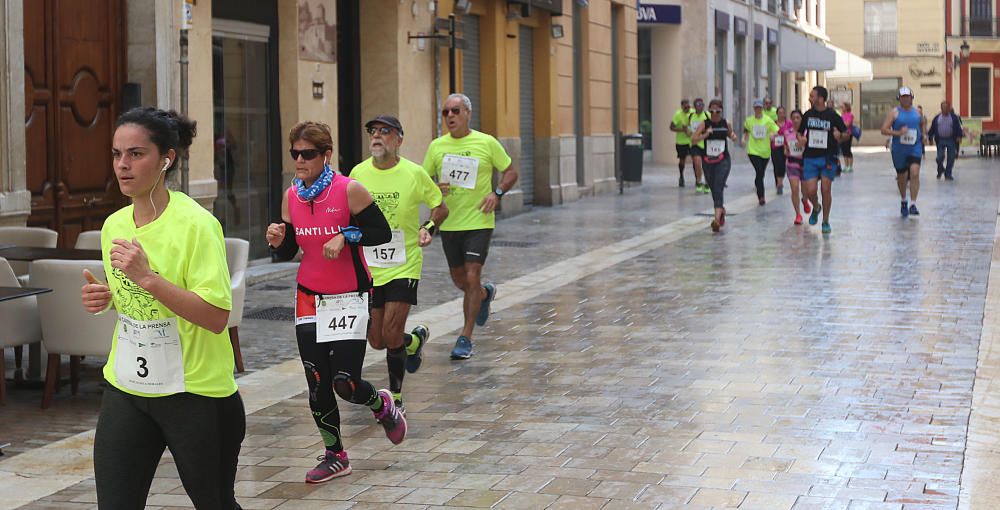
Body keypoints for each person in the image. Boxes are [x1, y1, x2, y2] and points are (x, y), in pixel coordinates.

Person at [81, 107, 245, 508]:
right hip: (128, 387)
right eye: (117, 154)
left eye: (136, 154)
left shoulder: (197, 225)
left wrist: (149, 279)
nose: (123, 165)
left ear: (166, 159)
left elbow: (215, 316)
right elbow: (137, 303)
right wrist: (108, 298)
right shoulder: (114, 225)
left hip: (195, 393)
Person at [266, 121, 405, 484]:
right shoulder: (291, 197)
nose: (299, 160)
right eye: (294, 153)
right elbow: (289, 252)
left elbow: (381, 232)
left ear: (326, 155)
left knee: (345, 383)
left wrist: (346, 234)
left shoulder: (349, 191)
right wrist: (278, 240)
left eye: (307, 154)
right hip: (308, 297)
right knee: (316, 381)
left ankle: (381, 403)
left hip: (348, 296)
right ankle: (335, 454)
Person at [350, 115, 449, 412]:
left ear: (399, 140)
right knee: (377, 340)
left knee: (391, 333)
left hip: (404, 263)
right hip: (369, 266)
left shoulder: (414, 173)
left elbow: (439, 208)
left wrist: (427, 228)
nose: (377, 136)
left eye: (385, 131)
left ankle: (395, 397)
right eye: (373, 131)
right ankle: (414, 342)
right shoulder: (358, 173)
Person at [422, 93, 519, 360]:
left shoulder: (486, 142)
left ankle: (465, 337)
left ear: (467, 113)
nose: (450, 116)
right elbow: (422, 179)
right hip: (449, 222)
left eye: (455, 111)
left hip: (479, 221)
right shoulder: (436, 147)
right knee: (461, 281)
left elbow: (511, 171)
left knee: (472, 275)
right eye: (445, 112)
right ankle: (485, 294)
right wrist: (434, 187)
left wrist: (496, 193)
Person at [797, 86, 849, 234]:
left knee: (826, 189)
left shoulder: (833, 115)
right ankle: (816, 207)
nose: (809, 98)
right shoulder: (807, 115)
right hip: (810, 157)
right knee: (810, 190)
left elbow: (846, 134)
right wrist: (801, 139)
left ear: (820, 98)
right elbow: (799, 133)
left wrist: (840, 136)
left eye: (812, 96)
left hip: (828, 157)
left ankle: (825, 221)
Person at [691, 99, 738, 232]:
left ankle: (716, 220)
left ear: (721, 111)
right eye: (712, 111)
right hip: (708, 160)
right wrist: (706, 134)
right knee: (712, 187)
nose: (715, 114)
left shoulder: (725, 123)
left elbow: (731, 134)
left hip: (723, 160)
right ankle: (721, 210)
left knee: (718, 185)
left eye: (718, 111)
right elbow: (693, 140)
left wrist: (734, 137)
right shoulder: (704, 124)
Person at [881, 87, 926, 217]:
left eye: (908, 97)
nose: (906, 99)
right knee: (902, 177)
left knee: (914, 173)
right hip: (899, 150)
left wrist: (924, 135)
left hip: (915, 147)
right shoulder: (894, 113)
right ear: (899, 99)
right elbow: (883, 129)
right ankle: (903, 200)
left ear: (912, 98)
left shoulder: (918, 112)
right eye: (903, 97)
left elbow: (922, 124)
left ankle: (913, 204)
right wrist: (897, 133)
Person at [742, 99, 779, 205]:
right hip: (753, 150)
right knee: (759, 171)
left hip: (765, 151)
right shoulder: (749, 121)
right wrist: (744, 139)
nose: (758, 109)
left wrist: (773, 135)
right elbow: (746, 131)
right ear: (754, 109)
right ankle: (761, 196)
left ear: (762, 108)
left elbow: (777, 130)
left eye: (760, 108)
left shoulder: (767, 120)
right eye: (756, 108)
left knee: (760, 173)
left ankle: (758, 184)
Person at [783, 109, 808, 224]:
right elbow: (785, 146)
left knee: (805, 189)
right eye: (794, 118)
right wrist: (786, 151)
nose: (796, 120)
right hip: (792, 163)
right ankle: (798, 214)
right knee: (794, 189)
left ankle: (805, 200)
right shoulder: (787, 132)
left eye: (798, 118)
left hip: (805, 163)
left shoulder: (806, 132)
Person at [928, 101, 964, 180]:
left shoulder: (954, 117)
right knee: (939, 157)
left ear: (949, 108)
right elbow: (932, 128)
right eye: (943, 108)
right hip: (940, 140)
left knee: (951, 157)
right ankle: (940, 169)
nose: (945, 109)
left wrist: (959, 136)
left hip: (951, 139)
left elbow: (958, 128)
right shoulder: (937, 117)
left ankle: (948, 174)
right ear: (941, 108)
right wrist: (930, 138)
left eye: (946, 107)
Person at [686, 98, 711, 194]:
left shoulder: (707, 115)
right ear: (695, 106)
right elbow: (689, 128)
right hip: (695, 143)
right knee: (697, 163)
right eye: (698, 105)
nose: (700, 107)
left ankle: (707, 183)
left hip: (706, 143)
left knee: (707, 165)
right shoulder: (691, 116)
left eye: (701, 105)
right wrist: (688, 132)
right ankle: (699, 181)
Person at [669, 99, 693, 187]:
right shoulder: (677, 115)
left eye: (688, 107)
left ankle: (697, 178)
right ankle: (681, 176)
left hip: (692, 140)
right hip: (681, 142)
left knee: (695, 159)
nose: (687, 109)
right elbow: (671, 127)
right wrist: (682, 130)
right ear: (682, 106)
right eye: (685, 107)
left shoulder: (693, 112)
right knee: (682, 159)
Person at [770, 106, 790, 195]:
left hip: (785, 146)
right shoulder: (773, 124)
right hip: (775, 146)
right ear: (777, 114)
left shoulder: (789, 123)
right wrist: (772, 136)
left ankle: (780, 183)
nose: (781, 114)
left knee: (782, 164)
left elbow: (792, 132)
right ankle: (778, 183)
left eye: (783, 112)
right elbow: (769, 134)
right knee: (776, 164)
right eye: (780, 113)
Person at [839, 102, 855, 173]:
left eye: (843, 106)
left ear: (846, 107)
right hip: (842, 134)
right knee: (843, 150)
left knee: (848, 149)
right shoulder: (842, 115)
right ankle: (846, 166)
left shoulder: (850, 115)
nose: (841, 108)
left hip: (848, 134)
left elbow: (848, 124)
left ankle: (850, 166)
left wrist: (843, 123)